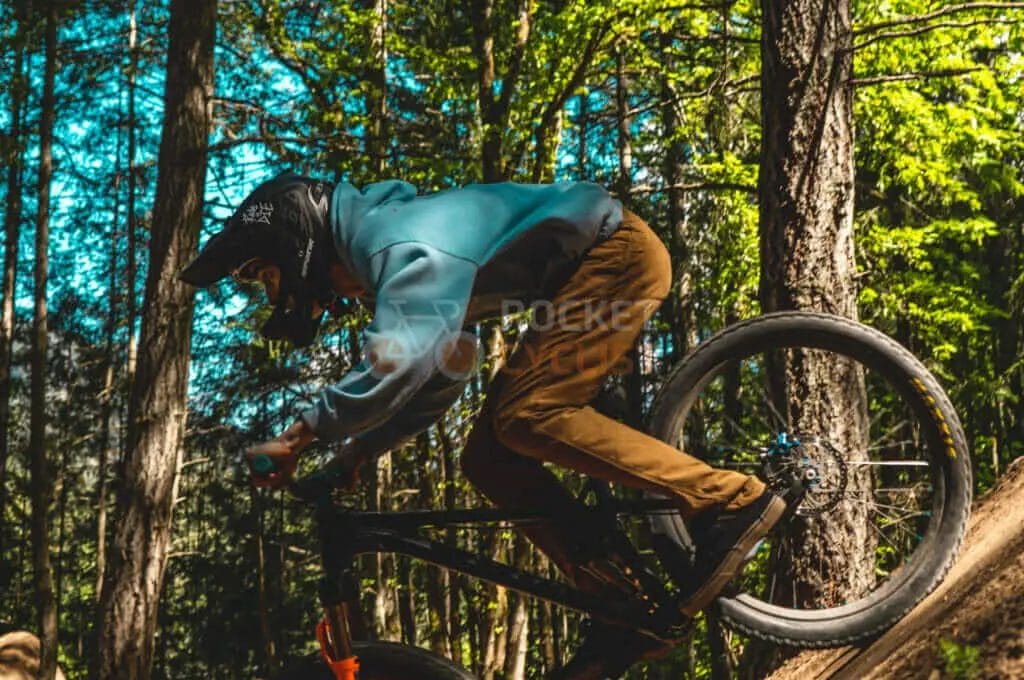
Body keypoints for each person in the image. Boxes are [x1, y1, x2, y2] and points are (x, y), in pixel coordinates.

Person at [178, 172, 786, 677]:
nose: (269, 293)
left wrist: (300, 435)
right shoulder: (396, 255)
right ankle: (618, 602)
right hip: (587, 276)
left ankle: (726, 498)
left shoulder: (396, 240)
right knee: (489, 456)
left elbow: (400, 356)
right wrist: (360, 451)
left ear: (297, 246)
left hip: (616, 258)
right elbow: (441, 372)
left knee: (528, 415)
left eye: (265, 275)